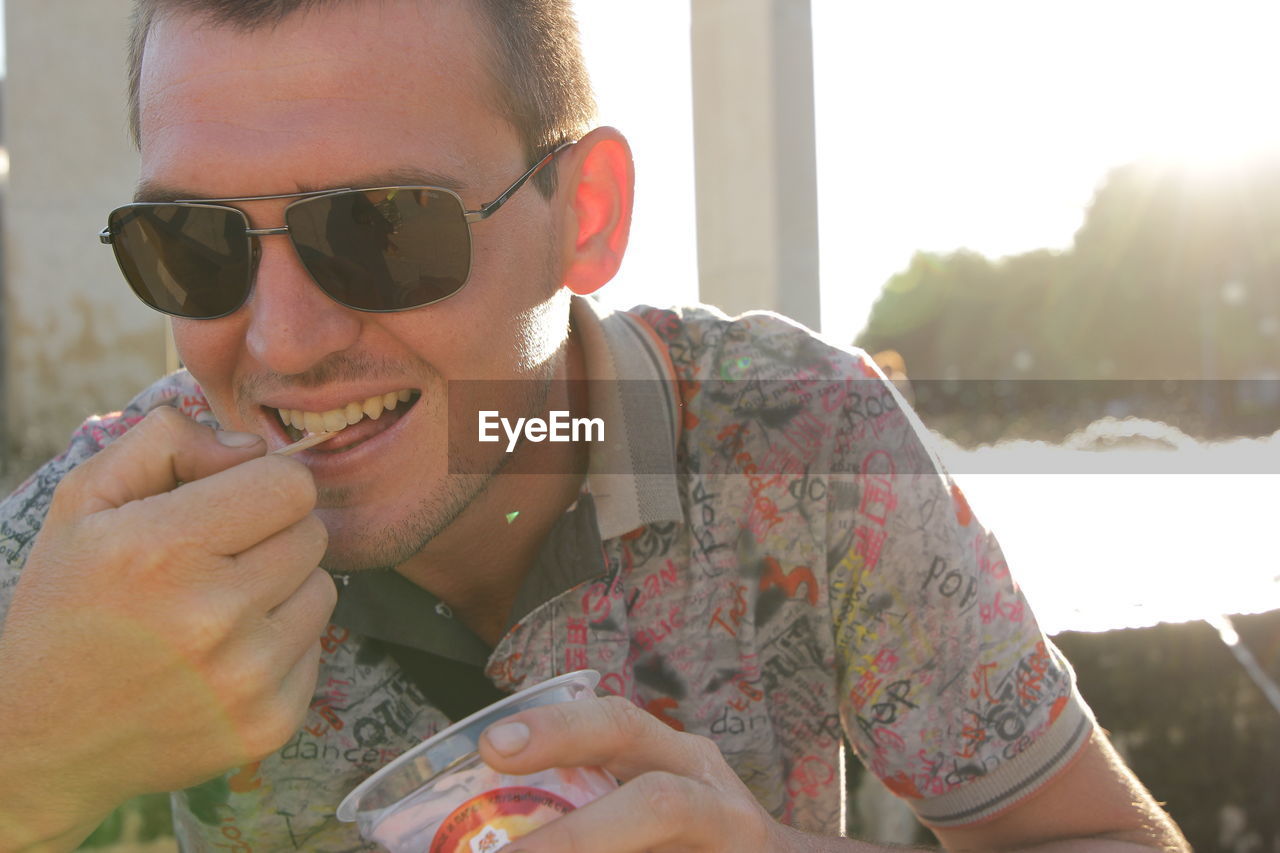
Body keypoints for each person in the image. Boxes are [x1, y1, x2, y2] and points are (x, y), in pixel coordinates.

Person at [0, 1, 1188, 850]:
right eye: (192, 245)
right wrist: (28, 758)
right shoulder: (100, 540)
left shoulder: (790, 439)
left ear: (588, 216)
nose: (281, 341)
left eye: (380, 228)